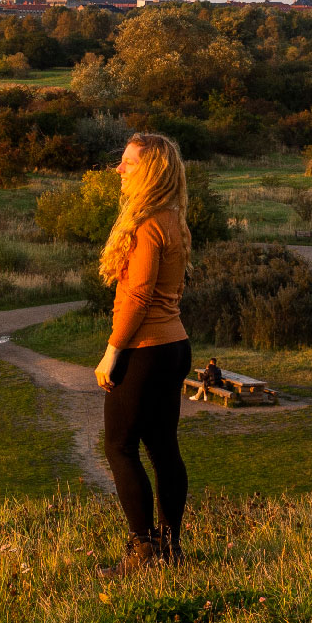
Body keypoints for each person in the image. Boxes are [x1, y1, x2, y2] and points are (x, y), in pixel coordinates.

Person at [94, 132, 193, 574]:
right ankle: (170, 548)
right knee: (163, 446)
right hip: (174, 346)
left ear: (150, 171)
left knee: (119, 446)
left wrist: (112, 352)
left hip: (146, 349)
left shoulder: (148, 224)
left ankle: (143, 551)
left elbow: (136, 296)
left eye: (128, 163)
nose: (119, 169)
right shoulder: (174, 218)